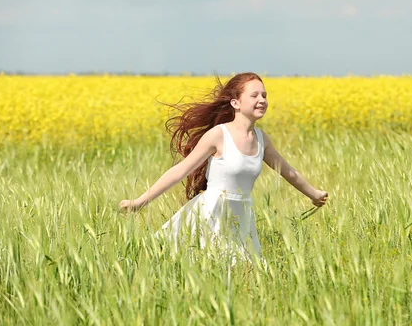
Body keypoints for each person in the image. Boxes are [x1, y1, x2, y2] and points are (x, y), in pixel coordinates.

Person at [118, 72, 329, 263]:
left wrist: (314, 194)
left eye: (264, 95)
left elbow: (288, 172)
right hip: (211, 214)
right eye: (254, 95)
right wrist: (140, 202)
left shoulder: (261, 139)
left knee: (247, 273)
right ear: (235, 103)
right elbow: (180, 171)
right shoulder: (219, 135)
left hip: (242, 217)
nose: (262, 100)